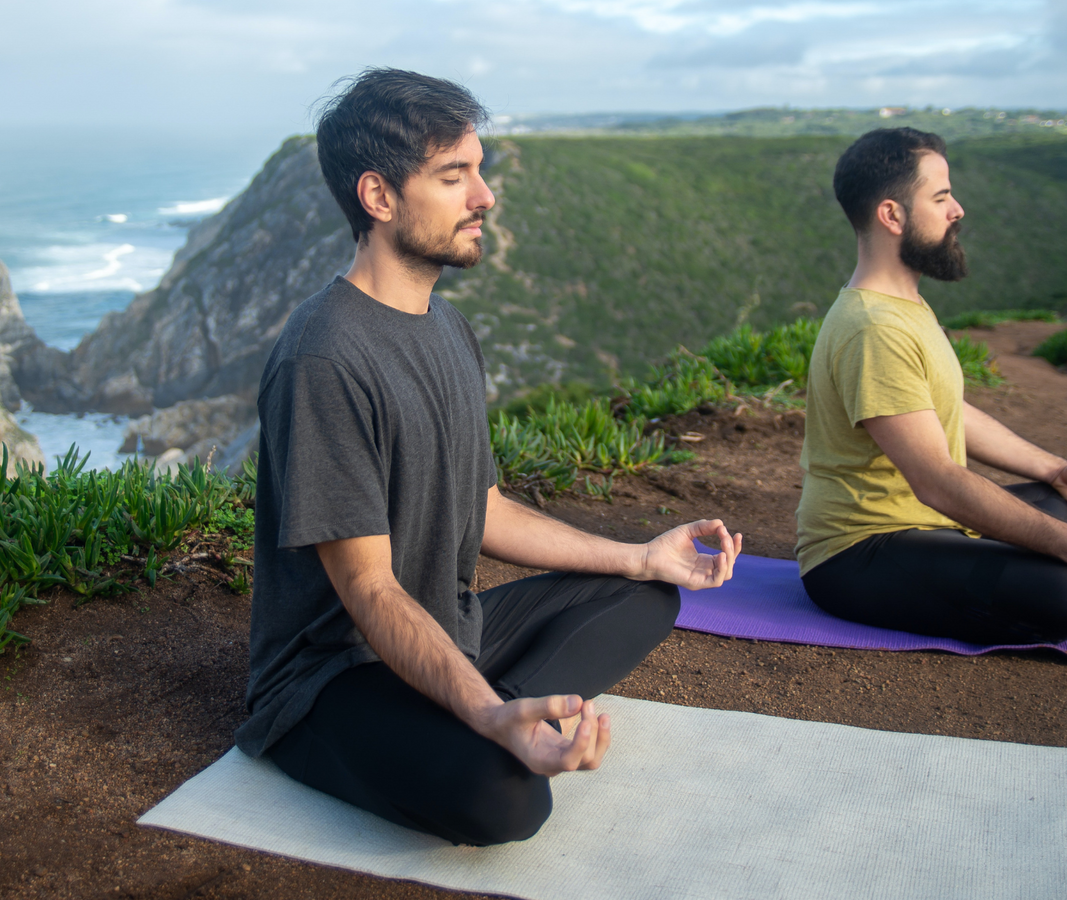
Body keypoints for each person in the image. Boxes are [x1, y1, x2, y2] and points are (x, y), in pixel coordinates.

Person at [235, 69, 742, 847]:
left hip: (448, 625)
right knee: (508, 804)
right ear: (378, 197)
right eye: (453, 176)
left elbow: (486, 508)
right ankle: (483, 716)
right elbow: (367, 588)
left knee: (644, 596)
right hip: (334, 675)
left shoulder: (449, 329)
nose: (485, 196)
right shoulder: (325, 359)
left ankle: (474, 706)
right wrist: (486, 712)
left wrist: (642, 556)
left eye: (479, 169)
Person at [795, 127, 1067, 646]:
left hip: (926, 525)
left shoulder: (905, 306)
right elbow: (937, 480)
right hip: (858, 553)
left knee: (1054, 501)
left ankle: (1024, 543)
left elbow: (948, 411)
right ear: (892, 215)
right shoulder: (874, 328)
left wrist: (1055, 469)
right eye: (941, 197)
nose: (957, 209)